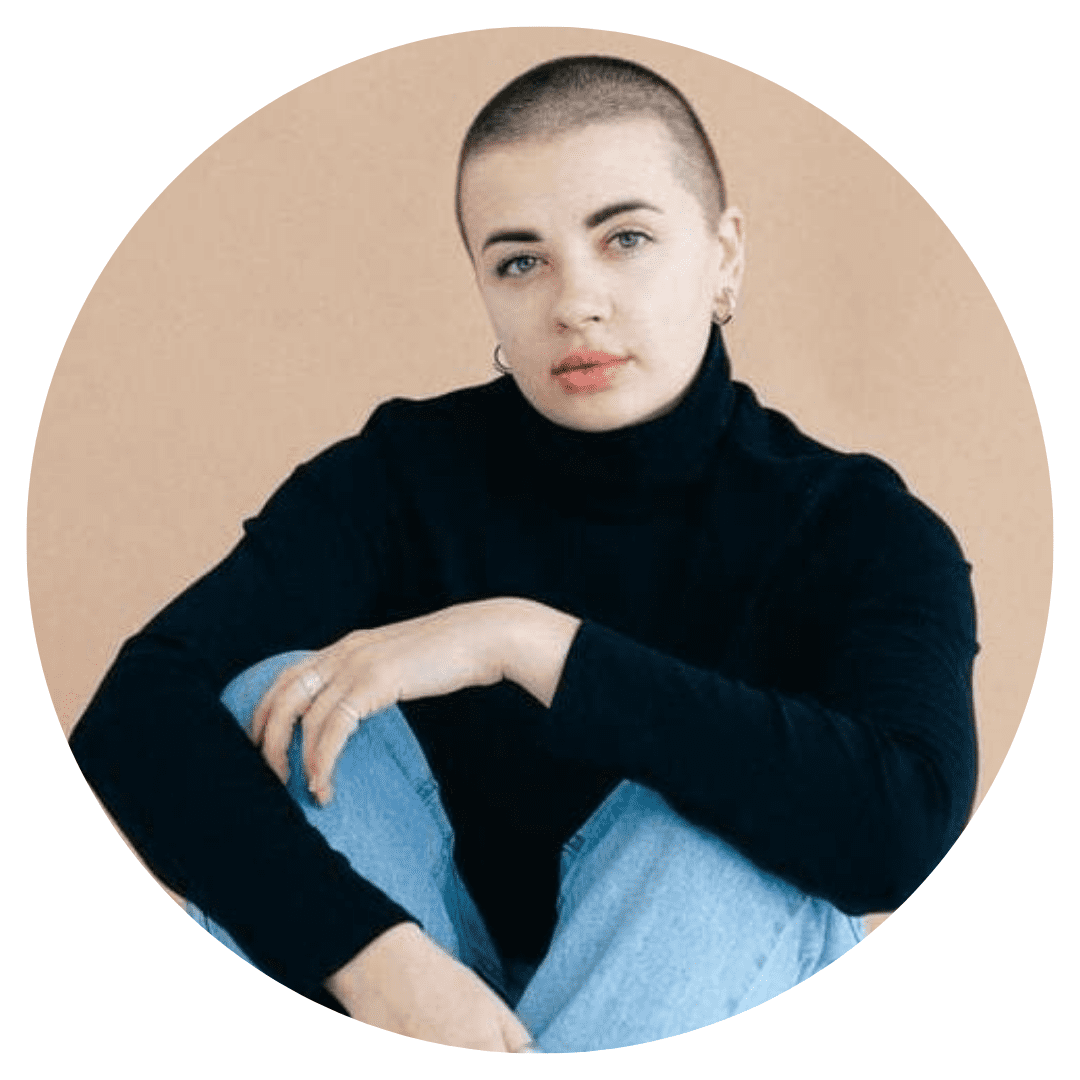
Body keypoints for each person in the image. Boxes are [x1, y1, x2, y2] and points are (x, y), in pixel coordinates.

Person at [69, 56, 979, 1053]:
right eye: (520, 262)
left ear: (724, 256)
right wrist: (370, 956)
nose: (574, 302)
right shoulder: (402, 473)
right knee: (280, 700)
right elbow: (133, 714)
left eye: (625, 240)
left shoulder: (859, 525)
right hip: (420, 1009)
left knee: (714, 834)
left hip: (708, 1000)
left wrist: (525, 642)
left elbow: (904, 827)